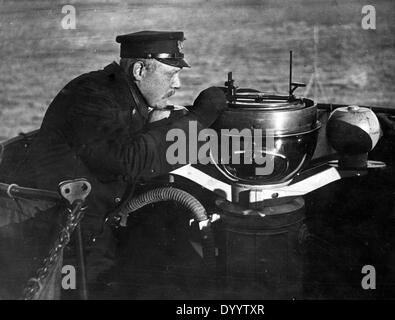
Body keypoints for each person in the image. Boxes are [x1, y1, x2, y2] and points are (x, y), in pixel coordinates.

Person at [1, 30, 227, 290]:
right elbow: (129, 159)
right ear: (139, 70)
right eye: (171, 74)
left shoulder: (122, 95)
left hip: (96, 226)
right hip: (62, 239)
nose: (177, 85)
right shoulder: (90, 96)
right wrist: (199, 119)